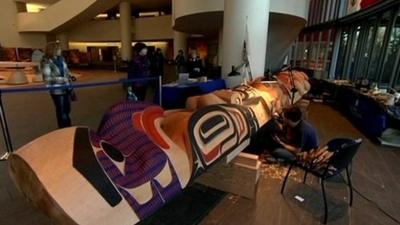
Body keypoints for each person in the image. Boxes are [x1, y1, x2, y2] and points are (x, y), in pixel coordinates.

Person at [42, 42, 74, 128]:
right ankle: (64, 128)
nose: (60, 50)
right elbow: (47, 79)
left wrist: (70, 75)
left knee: (67, 109)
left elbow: (66, 70)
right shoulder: (47, 62)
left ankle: (68, 126)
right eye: (59, 49)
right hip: (57, 90)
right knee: (61, 110)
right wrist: (62, 79)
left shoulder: (61, 59)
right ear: (53, 50)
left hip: (66, 87)